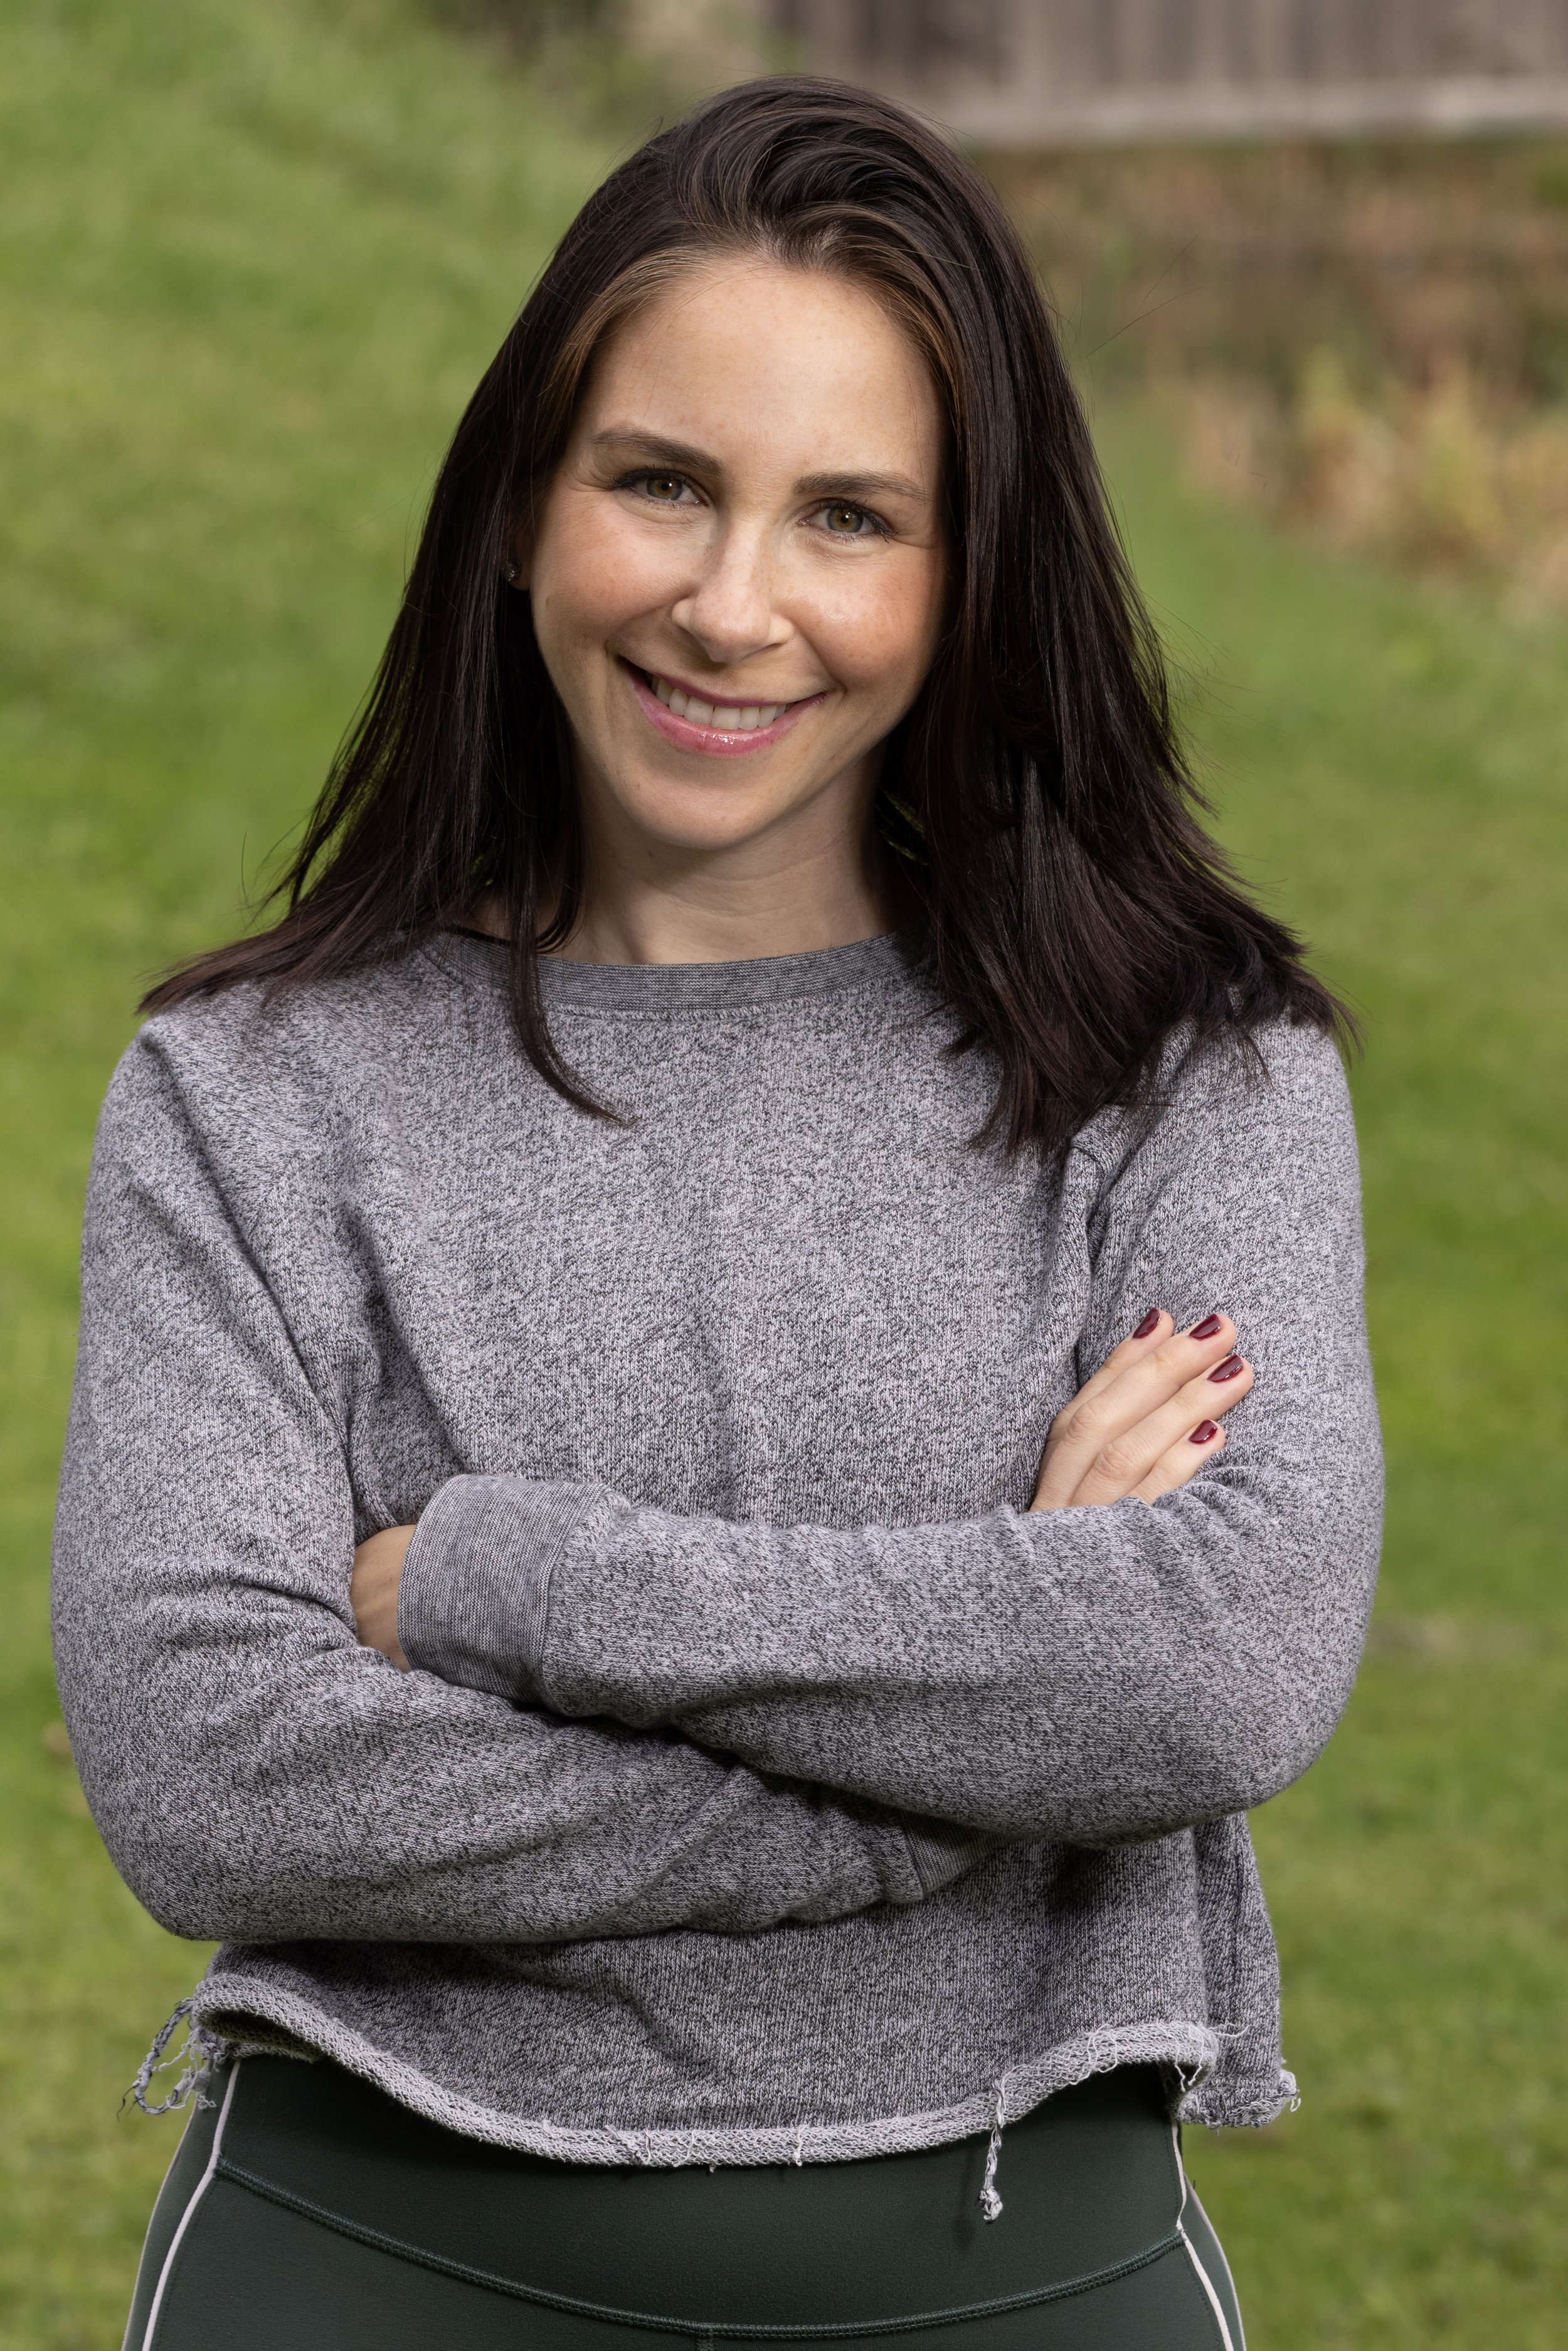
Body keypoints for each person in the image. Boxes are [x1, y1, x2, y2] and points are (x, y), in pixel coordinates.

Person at [53, 76, 1381, 2351]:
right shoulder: (252, 1096)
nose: (731, 602)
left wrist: (490, 1574)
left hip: (1027, 2290)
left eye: (849, 515)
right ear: (518, 506)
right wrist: (959, 1786)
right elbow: (215, 1772)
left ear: (968, 579)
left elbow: (1215, 1656)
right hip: (364, 2282)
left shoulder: (1194, 1064)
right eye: (658, 479)